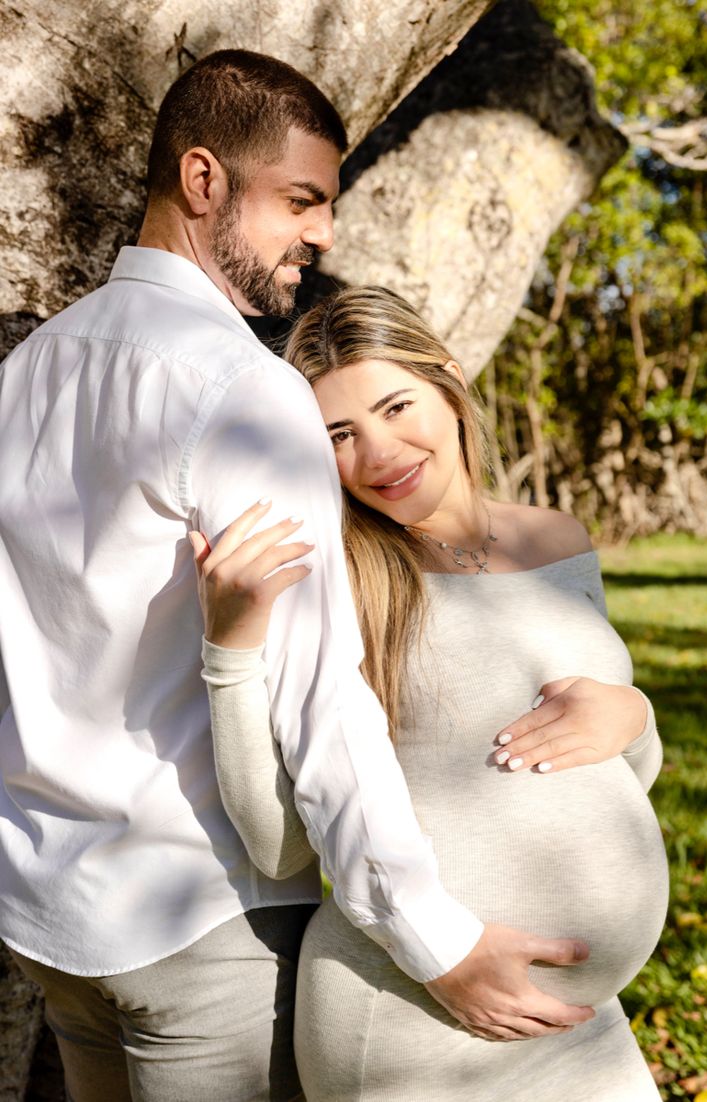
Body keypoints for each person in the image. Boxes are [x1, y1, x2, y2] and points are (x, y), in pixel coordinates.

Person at [0, 51, 598, 1102]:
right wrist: (436, 941)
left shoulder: (26, 373)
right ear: (202, 181)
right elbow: (321, 704)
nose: (320, 233)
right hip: (198, 922)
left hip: (45, 916)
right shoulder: (242, 390)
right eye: (300, 200)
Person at [191, 286, 669, 1101]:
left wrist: (636, 716)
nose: (378, 452)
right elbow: (280, 848)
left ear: (449, 383)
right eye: (339, 434)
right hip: (414, 1015)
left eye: (395, 405)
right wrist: (231, 649)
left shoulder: (555, 537)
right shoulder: (336, 577)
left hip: (582, 1026)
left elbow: (614, 767)